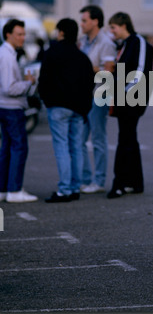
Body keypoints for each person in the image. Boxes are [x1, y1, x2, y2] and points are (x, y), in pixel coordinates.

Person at [38, 18, 94, 202]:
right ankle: (75, 187)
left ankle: (64, 189)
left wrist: (46, 100)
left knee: (61, 147)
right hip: (78, 109)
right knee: (76, 147)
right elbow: (89, 85)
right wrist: (85, 109)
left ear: (61, 32)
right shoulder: (82, 57)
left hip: (58, 107)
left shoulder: (52, 53)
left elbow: (44, 79)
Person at [107, 12, 153, 199]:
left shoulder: (138, 42)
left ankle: (119, 184)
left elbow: (141, 70)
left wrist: (123, 93)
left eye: (113, 27)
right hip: (124, 97)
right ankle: (135, 182)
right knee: (129, 139)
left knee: (124, 140)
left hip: (133, 98)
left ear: (123, 25)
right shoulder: (124, 45)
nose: (111, 32)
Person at [79, 5, 116, 194]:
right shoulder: (83, 41)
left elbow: (108, 71)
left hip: (99, 94)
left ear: (95, 21)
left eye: (84, 20)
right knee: (79, 138)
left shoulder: (106, 42)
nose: (81, 24)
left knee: (98, 139)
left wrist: (87, 67)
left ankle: (99, 180)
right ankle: (85, 179)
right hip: (84, 95)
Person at [0, 19, 38, 203]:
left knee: (7, 148)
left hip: (5, 106)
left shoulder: (6, 54)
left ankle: (4, 189)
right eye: (19, 34)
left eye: (23, 34)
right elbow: (9, 88)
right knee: (19, 147)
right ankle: (14, 190)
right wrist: (28, 83)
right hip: (11, 107)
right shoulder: (7, 56)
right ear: (8, 34)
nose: (23, 38)